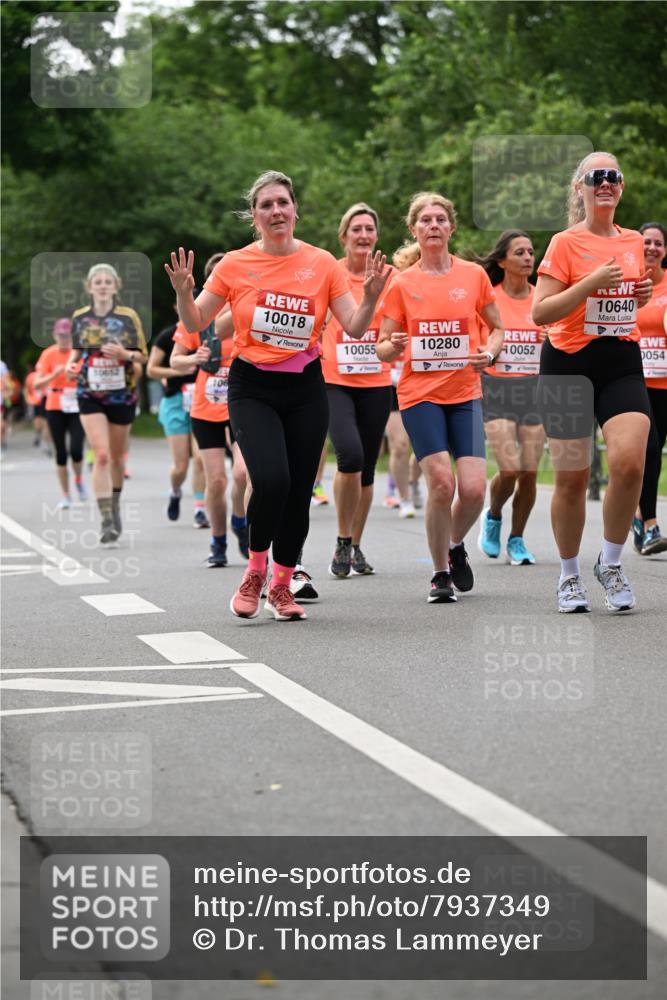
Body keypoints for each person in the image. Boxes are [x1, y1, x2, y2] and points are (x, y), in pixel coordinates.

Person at [165, 169, 390, 621]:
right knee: (271, 481)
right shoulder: (235, 264)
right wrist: (185, 295)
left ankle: (282, 586)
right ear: (254, 216)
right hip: (253, 386)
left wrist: (370, 298)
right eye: (266, 205)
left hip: (305, 386)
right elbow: (195, 323)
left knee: (299, 490)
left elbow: (355, 326)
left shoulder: (322, 263)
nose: (276, 211)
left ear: (295, 210)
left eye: (282, 203)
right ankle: (255, 571)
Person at [533, 152, 653, 612]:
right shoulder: (565, 242)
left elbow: (625, 302)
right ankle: (569, 575)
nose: (605, 183)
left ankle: (611, 562)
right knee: (572, 477)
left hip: (620, 359)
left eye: (612, 176)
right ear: (579, 188)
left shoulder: (634, 241)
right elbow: (541, 312)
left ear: (621, 187)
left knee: (630, 463)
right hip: (567, 364)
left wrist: (639, 295)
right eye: (595, 176)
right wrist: (591, 283)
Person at [377, 191, 504, 603]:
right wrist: (393, 346)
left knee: (474, 490)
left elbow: (497, 328)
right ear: (414, 230)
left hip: (465, 393)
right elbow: (381, 346)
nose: (433, 225)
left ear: (451, 227)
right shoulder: (402, 283)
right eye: (425, 220)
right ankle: (439, 574)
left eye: (440, 219)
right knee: (441, 483)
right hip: (420, 396)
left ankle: (453, 543)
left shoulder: (473, 276)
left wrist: (490, 353)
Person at [321, 202, 395, 576]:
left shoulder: (392, 277)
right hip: (335, 381)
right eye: (356, 229)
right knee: (348, 456)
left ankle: (355, 545)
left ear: (376, 236)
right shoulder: (330, 272)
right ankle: (341, 539)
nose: (364, 235)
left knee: (366, 468)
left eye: (369, 229)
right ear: (344, 236)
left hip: (376, 382)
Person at [171, 254, 250, 568]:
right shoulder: (197, 316)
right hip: (206, 409)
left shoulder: (246, 310)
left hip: (243, 404)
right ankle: (218, 541)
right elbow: (175, 360)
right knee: (216, 480)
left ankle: (240, 520)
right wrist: (195, 359)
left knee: (243, 473)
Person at [476, 231, 546, 565]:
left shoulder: (542, 298)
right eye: (519, 252)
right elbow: (477, 336)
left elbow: (563, 335)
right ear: (502, 261)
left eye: (531, 252)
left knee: (529, 472)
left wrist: (552, 338)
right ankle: (492, 516)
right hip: (498, 389)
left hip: (534, 390)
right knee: (510, 469)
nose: (528, 257)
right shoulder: (489, 298)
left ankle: (517, 539)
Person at [66, 263, 147, 544]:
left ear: (116, 286)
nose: (102, 286)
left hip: (122, 393)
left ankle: (114, 503)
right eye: (97, 282)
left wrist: (125, 353)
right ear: (89, 287)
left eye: (107, 282)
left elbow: (142, 356)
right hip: (89, 392)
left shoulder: (128, 317)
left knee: (116, 458)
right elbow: (76, 353)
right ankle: (106, 519)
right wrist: (70, 365)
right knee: (100, 455)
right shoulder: (80, 318)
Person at [147, 307, 209, 528]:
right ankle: (175, 491)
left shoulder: (210, 333)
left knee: (200, 459)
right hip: (175, 402)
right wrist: (177, 372)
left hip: (203, 400)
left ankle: (200, 509)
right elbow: (151, 370)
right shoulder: (167, 336)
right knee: (181, 467)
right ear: (177, 307)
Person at [633, 221, 667, 555]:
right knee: (650, 449)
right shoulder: (628, 282)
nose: (652, 248)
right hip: (633, 382)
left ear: (665, 251)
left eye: (658, 243)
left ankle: (636, 516)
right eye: (646, 242)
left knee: (653, 454)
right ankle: (650, 526)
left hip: (664, 384)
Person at [34, 318, 85, 508]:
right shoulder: (48, 354)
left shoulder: (79, 353)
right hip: (55, 405)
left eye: (68, 336)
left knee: (76, 450)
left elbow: (88, 376)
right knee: (61, 453)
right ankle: (66, 495)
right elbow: (36, 383)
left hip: (77, 404)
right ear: (55, 335)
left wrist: (76, 375)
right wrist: (54, 374)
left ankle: (78, 480)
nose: (65, 339)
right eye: (61, 336)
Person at [23, 364, 49, 452]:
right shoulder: (31, 376)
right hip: (36, 401)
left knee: (47, 422)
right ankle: (38, 434)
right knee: (38, 420)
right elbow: (27, 388)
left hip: (47, 399)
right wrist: (27, 399)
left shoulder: (48, 374)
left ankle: (45, 442)